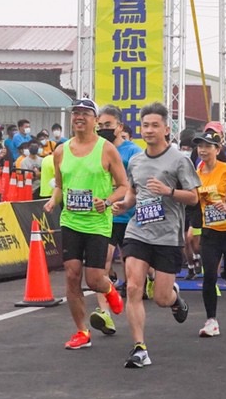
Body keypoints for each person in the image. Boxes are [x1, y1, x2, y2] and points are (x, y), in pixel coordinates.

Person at [42, 97, 130, 350]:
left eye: (85, 113)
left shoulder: (106, 149)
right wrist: (53, 200)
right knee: (71, 275)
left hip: (97, 223)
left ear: (95, 120)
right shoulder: (61, 151)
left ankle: (109, 290)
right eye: (75, 113)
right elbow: (60, 186)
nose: (79, 117)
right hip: (71, 220)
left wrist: (107, 200)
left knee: (94, 279)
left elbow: (123, 186)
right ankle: (82, 331)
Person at [119, 103, 198, 367]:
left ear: (166, 129)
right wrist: (124, 204)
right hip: (138, 231)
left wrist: (169, 191)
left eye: (155, 125)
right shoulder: (136, 160)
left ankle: (175, 300)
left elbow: (194, 198)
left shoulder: (179, 160)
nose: (149, 130)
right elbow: (133, 192)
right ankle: (139, 348)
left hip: (167, 236)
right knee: (133, 287)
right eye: (145, 125)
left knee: (161, 298)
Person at [193, 128, 226, 337]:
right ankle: (211, 321)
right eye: (200, 146)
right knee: (209, 276)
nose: (203, 150)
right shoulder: (196, 174)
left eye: (207, 146)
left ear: (217, 149)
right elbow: (194, 203)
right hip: (210, 232)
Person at [98, 105, 143, 301]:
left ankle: (138, 284)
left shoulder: (133, 151)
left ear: (120, 126)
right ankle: (105, 302)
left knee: (128, 260)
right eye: (100, 125)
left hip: (128, 215)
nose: (103, 129)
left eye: (108, 125)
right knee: (104, 258)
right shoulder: (96, 148)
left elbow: (140, 182)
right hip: (103, 215)